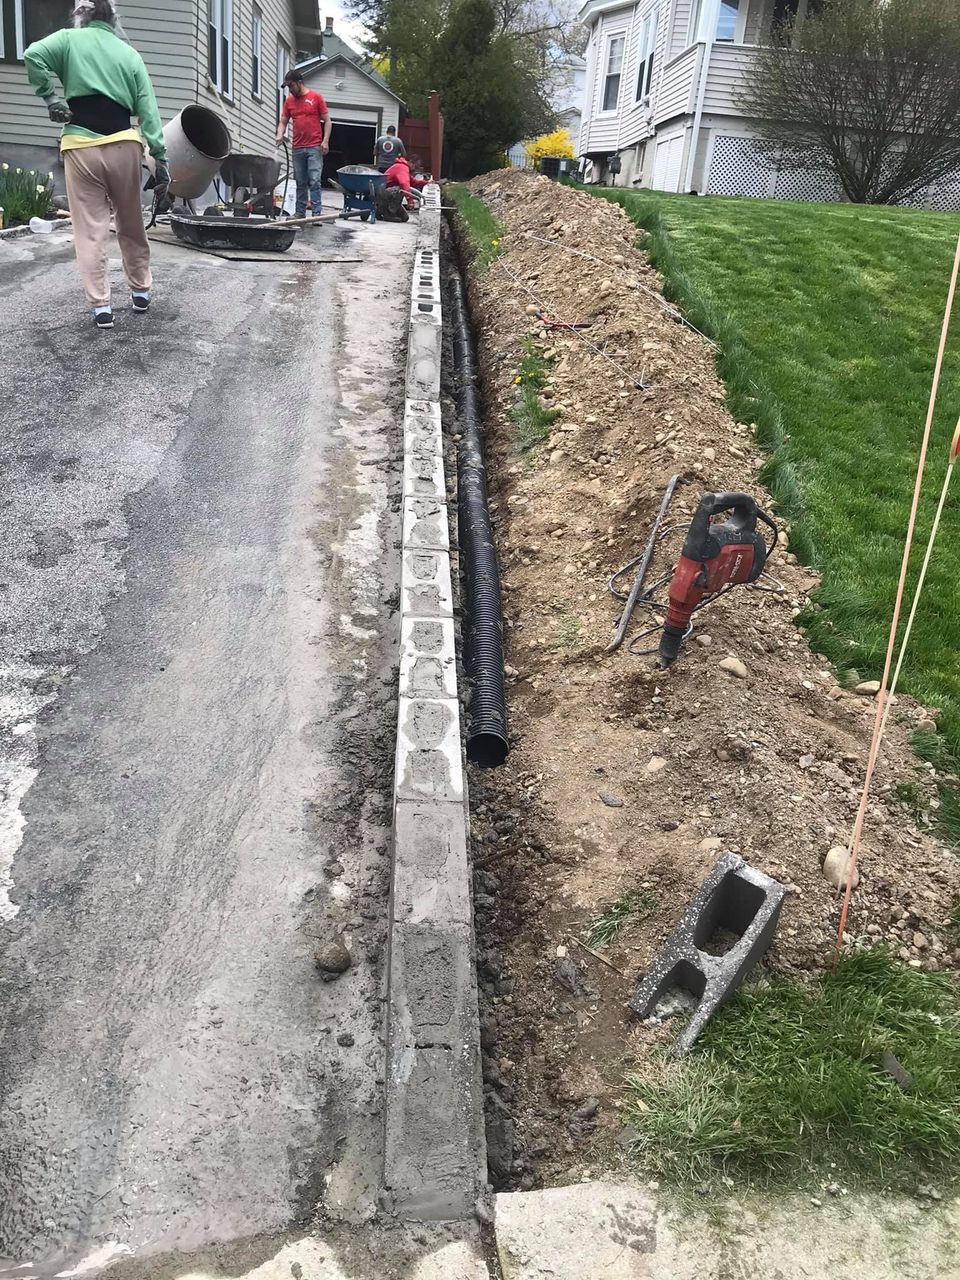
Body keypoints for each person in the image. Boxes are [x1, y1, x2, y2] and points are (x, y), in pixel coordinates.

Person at [23, 0, 169, 330]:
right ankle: (141, 291)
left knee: (90, 229)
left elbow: (33, 54)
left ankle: (101, 306)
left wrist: (51, 98)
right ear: (113, 18)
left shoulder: (68, 40)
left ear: (82, 16)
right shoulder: (129, 54)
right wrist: (160, 157)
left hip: (80, 146)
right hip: (122, 144)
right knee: (130, 220)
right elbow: (148, 111)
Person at [276, 72, 331, 219]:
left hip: (314, 146)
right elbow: (283, 121)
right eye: (288, 87)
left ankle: (316, 213)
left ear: (299, 82)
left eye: (291, 86)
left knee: (314, 180)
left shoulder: (315, 97)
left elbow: (327, 121)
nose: (290, 89)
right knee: (300, 181)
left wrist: (325, 141)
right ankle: (300, 212)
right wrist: (280, 134)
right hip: (297, 147)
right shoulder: (289, 101)